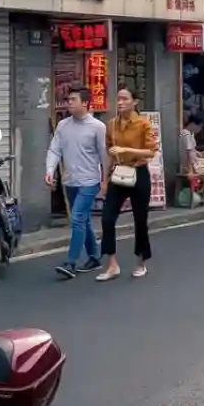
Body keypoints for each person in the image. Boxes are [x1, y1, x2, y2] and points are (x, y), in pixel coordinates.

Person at [46, 85, 108, 280]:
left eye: (73, 99)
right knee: (84, 219)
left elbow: (104, 155)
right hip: (70, 181)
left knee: (77, 218)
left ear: (85, 103)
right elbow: (54, 149)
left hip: (90, 181)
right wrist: (49, 170)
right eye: (69, 99)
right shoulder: (63, 125)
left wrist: (105, 181)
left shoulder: (98, 127)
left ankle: (70, 262)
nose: (69, 103)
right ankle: (94, 256)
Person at [100, 87, 158, 281]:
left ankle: (141, 262)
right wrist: (105, 180)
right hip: (118, 173)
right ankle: (112, 264)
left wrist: (126, 149)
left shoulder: (143, 124)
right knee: (107, 218)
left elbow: (151, 152)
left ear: (135, 102)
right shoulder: (111, 125)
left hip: (139, 173)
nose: (120, 102)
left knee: (140, 220)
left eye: (125, 99)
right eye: (118, 99)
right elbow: (109, 152)